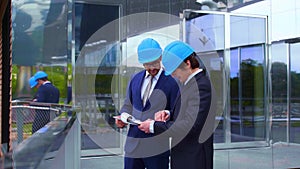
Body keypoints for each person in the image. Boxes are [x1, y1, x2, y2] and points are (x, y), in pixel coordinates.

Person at [138, 41, 214, 169]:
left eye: (174, 70)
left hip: (193, 160)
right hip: (184, 157)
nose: (173, 75)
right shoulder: (190, 83)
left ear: (187, 63)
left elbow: (190, 125)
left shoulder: (201, 86)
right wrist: (168, 114)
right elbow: (186, 111)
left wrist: (153, 126)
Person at [115, 38, 179, 169]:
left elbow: (176, 112)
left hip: (157, 147)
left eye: (155, 63)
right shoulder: (135, 79)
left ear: (161, 57)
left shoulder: (172, 81)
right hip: (133, 146)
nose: (151, 68)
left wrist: (167, 114)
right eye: (147, 64)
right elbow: (128, 105)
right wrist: (122, 117)